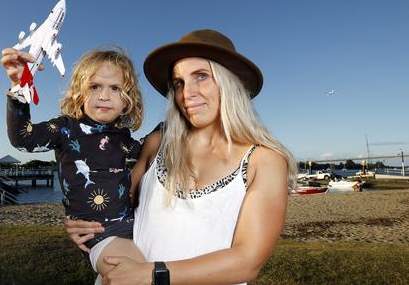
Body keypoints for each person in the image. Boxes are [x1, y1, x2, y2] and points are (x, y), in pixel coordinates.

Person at [66, 29, 297, 285]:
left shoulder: (264, 162)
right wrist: (85, 224)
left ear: (229, 83)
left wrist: (152, 274)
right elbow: (115, 206)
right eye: (179, 83)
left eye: (201, 76)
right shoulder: (158, 144)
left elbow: (247, 261)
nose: (187, 92)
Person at [0, 47, 148, 279]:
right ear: (79, 91)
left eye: (115, 88)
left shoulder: (123, 139)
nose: (105, 96)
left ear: (128, 99)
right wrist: (21, 88)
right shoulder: (65, 129)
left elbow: (151, 153)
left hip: (136, 226)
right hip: (97, 232)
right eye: (95, 86)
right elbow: (24, 138)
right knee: (135, 275)